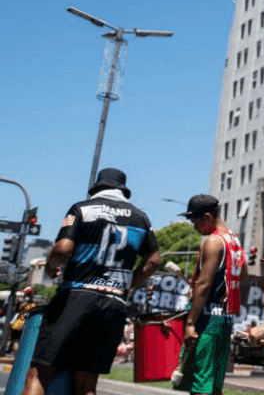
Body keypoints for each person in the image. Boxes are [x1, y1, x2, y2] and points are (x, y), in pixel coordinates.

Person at [22, 168, 160, 395]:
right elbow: (154, 260)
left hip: (76, 296)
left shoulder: (82, 209)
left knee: (39, 374)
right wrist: (128, 283)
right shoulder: (141, 218)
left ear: (96, 187)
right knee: (87, 383)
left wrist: (50, 266)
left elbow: (63, 248)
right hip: (113, 304)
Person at [175, 195, 246, 395]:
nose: (194, 226)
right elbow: (244, 274)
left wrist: (190, 323)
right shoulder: (233, 240)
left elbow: (204, 284)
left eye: (195, 221)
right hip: (224, 319)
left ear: (206, 217)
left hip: (206, 320)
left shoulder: (214, 241)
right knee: (213, 385)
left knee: (200, 384)